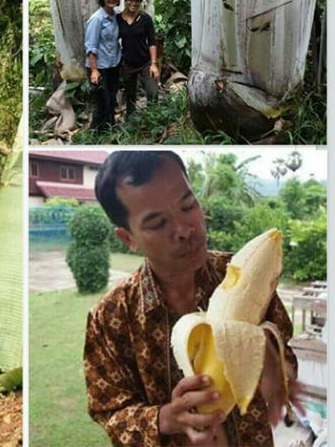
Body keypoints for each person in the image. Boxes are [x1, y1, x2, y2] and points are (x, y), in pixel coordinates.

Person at [84, 151, 301, 446]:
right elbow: (108, 410)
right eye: (158, 223)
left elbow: (284, 354)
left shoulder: (246, 274)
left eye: (188, 205)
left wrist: (277, 368)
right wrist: (165, 418)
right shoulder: (110, 317)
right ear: (128, 239)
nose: (186, 230)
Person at [84, 0, 123, 131]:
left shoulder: (116, 16)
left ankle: (110, 128)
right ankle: (96, 133)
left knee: (112, 99)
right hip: (98, 67)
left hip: (113, 65)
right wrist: (94, 71)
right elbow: (90, 46)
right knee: (102, 102)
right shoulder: (97, 19)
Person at [117, 0, 159, 120]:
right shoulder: (118, 19)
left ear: (140, 2)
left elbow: (152, 41)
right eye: (130, 0)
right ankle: (131, 122)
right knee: (130, 95)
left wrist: (153, 64)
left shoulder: (145, 19)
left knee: (153, 92)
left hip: (145, 62)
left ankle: (153, 119)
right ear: (125, 1)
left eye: (137, 0)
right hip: (127, 64)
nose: (133, 3)